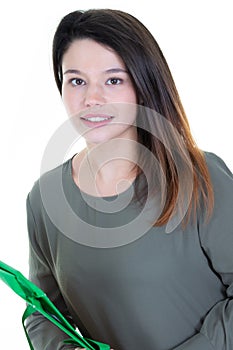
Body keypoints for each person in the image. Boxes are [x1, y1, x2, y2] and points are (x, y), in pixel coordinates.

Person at [25, 8, 233, 350]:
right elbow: (43, 311)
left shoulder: (200, 177)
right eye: (76, 81)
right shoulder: (44, 199)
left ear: (143, 84)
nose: (92, 99)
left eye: (113, 80)